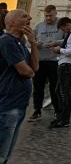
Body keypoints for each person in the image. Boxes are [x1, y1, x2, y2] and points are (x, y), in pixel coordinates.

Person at [0, 9, 39, 161]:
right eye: (24, 16)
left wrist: (33, 42)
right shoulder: (7, 41)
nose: (30, 18)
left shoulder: (20, 43)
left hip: (19, 104)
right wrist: (30, 71)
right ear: (12, 22)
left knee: (7, 151)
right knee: (2, 152)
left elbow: (35, 67)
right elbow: (26, 72)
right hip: (8, 105)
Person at [30, 4, 63, 121]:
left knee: (55, 88)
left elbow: (68, 40)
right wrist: (35, 44)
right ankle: (37, 110)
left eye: (51, 16)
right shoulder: (38, 26)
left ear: (56, 13)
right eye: (46, 16)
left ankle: (58, 110)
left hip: (55, 61)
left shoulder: (61, 25)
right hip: (40, 61)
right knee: (38, 87)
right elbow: (30, 41)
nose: (48, 18)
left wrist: (56, 43)